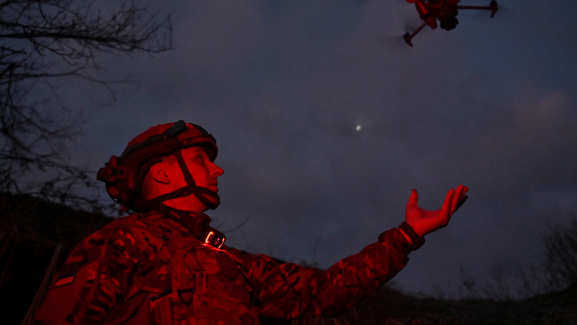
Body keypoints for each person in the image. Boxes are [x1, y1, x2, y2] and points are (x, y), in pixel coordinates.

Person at [33, 120, 468, 325]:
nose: (218, 170)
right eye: (203, 160)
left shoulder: (232, 263)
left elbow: (323, 293)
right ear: (163, 172)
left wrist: (407, 235)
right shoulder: (122, 242)